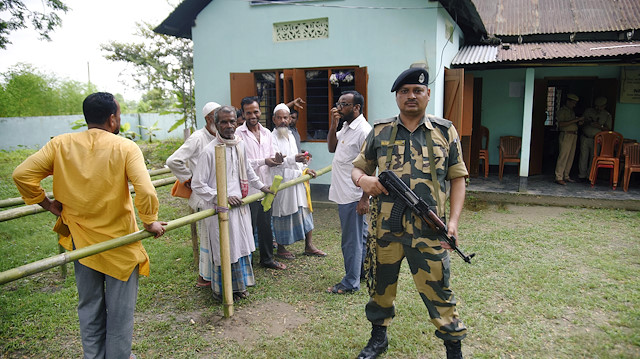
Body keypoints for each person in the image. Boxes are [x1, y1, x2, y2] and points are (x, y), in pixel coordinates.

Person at [12, 92, 166, 359]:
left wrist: (47, 204)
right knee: (120, 313)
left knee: (90, 306)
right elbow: (146, 191)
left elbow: (21, 174)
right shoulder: (126, 147)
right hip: (120, 243)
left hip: (81, 243)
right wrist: (150, 221)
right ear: (112, 118)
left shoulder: (60, 144)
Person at [351, 67, 468, 359]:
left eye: (417, 91)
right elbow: (358, 167)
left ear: (428, 94)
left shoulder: (445, 131)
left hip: (430, 232)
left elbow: (458, 179)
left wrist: (452, 222)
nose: (411, 96)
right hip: (386, 231)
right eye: (404, 91)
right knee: (380, 288)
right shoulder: (379, 131)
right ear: (397, 97)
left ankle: (453, 348)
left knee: (439, 292)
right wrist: (364, 181)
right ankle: (378, 339)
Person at [191, 105, 273, 301]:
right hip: (220, 208)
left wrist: (262, 187)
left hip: (240, 206)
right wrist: (222, 196)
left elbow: (248, 170)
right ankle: (224, 291)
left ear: (237, 122)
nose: (228, 126)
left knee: (240, 246)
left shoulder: (239, 144)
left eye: (231, 121)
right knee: (225, 249)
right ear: (215, 124)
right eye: (223, 122)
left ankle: (239, 286)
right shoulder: (209, 151)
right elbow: (197, 184)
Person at [166, 101, 221, 288]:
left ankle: (216, 274)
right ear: (208, 118)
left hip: (217, 195)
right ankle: (204, 278)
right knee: (207, 237)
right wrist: (189, 178)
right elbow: (173, 161)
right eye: (216, 115)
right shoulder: (198, 137)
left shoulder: (221, 135)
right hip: (203, 197)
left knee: (217, 236)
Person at [326, 90, 372, 294]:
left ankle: (350, 283)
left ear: (356, 108)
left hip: (353, 195)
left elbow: (370, 167)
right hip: (343, 191)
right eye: (338, 103)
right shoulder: (345, 127)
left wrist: (364, 199)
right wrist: (333, 125)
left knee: (350, 240)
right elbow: (331, 147)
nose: (338, 107)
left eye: (344, 104)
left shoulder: (363, 130)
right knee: (360, 236)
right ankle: (361, 272)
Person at [235, 96, 286, 271]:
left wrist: (276, 160)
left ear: (260, 111)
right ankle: (244, 263)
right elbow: (242, 163)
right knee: (247, 227)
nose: (252, 115)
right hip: (248, 190)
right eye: (248, 113)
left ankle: (267, 259)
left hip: (267, 185)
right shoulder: (237, 135)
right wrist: (264, 161)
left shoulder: (266, 133)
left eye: (255, 111)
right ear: (243, 113)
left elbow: (271, 156)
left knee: (265, 225)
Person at [270, 103, 326, 259]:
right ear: (274, 119)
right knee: (282, 214)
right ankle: (281, 248)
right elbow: (275, 161)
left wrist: (305, 169)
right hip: (282, 182)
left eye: (285, 117)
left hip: (297, 179)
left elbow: (297, 158)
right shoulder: (270, 137)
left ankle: (309, 246)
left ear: (290, 119)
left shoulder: (291, 135)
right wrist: (295, 161)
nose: (283, 121)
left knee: (305, 210)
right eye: (279, 117)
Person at [578, 96, 612, 182]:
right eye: (596, 106)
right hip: (585, 136)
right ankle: (582, 176)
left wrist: (599, 126)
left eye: (600, 106)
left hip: (597, 139)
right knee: (583, 157)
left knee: (594, 158)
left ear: (604, 106)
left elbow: (608, 129)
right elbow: (581, 122)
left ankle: (590, 176)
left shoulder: (607, 115)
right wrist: (586, 122)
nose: (597, 108)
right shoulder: (588, 111)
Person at [554, 93, 583, 185]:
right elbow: (561, 124)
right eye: (573, 103)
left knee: (570, 157)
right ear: (568, 101)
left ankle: (566, 175)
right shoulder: (562, 111)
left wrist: (579, 122)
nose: (574, 105)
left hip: (573, 135)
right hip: (566, 135)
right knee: (563, 156)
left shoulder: (571, 111)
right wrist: (576, 120)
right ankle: (558, 176)